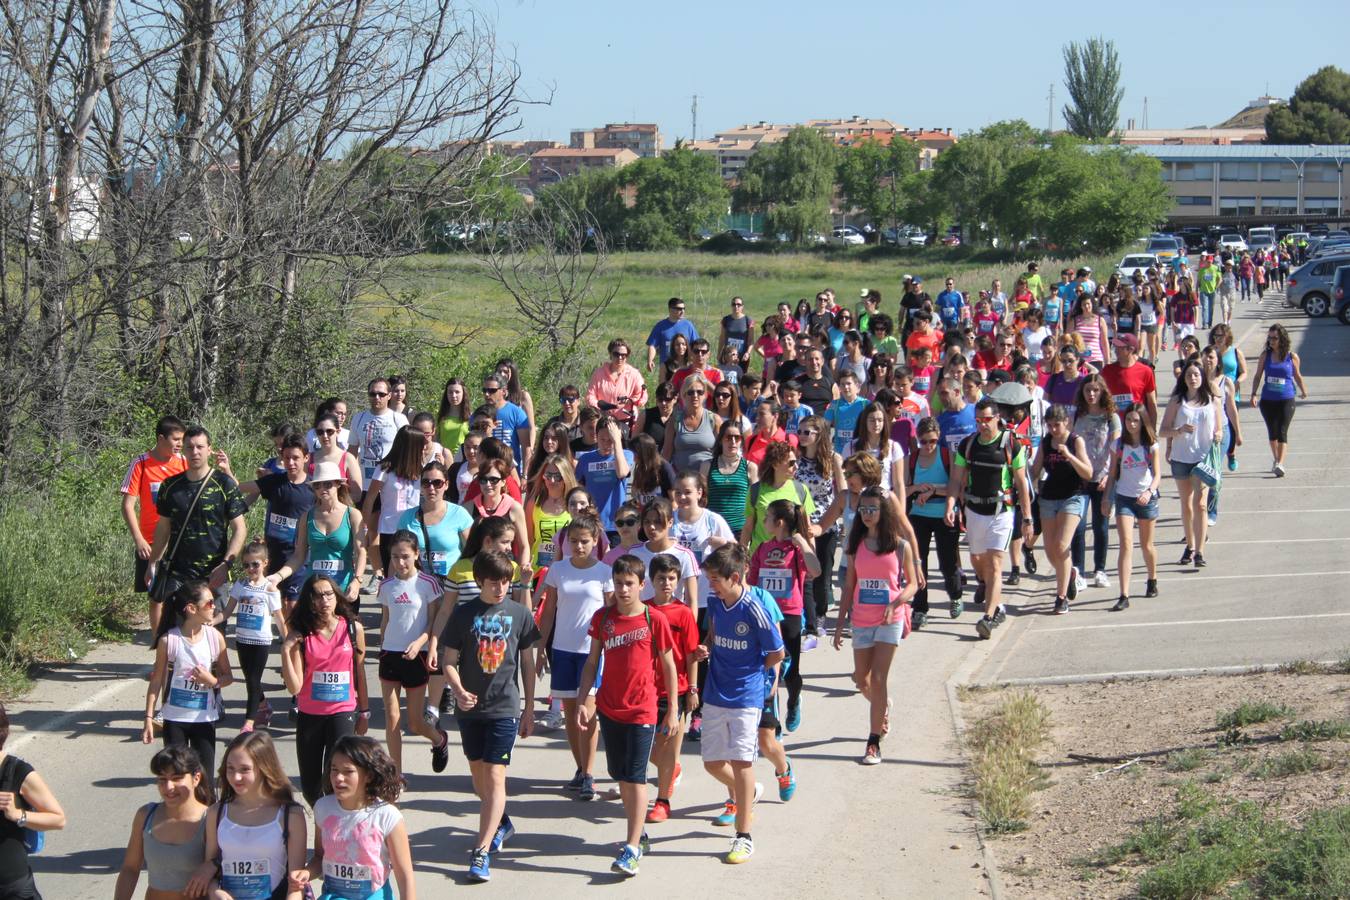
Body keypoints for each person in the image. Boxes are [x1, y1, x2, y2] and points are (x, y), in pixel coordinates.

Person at [574, 554, 679, 877]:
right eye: (618, 583)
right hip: (609, 708)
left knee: (635, 777)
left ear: (641, 585)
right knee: (620, 774)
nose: (622, 589)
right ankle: (639, 833)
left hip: (642, 709)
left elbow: (669, 664)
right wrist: (583, 700)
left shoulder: (653, 619)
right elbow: (592, 662)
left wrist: (673, 708)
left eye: (629, 584)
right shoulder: (603, 618)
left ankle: (631, 847)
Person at [440, 550, 540, 883]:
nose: (500, 588)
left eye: (505, 581)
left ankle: (481, 851)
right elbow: (448, 661)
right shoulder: (463, 614)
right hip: (470, 709)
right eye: (494, 582)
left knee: (496, 776)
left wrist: (529, 707)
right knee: (478, 778)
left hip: (505, 707)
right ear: (480, 580)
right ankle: (502, 823)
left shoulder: (520, 614)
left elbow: (527, 663)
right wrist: (457, 689)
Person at [698, 543, 785, 865]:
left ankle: (743, 836)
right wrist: (705, 649)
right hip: (714, 692)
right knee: (711, 762)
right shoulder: (715, 602)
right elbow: (714, 636)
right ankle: (749, 792)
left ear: (734, 577)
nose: (711, 585)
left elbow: (777, 653)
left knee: (741, 762)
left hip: (746, 698)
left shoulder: (755, 608)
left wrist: (753, 675)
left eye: (716, 580)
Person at [833, 484, 917, 764]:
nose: (868, 514)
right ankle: (882, 709)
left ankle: (873, 742)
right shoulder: (855, 546)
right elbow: (848, 586)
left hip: (889, 619)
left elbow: (914, 584)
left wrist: (896, 603)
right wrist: (838, 625)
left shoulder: (899, 545)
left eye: (874, 509)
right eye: (864, 509)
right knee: (862, 680)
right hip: (862, 619)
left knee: (879, 678)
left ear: (884, 512)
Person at [535, 516, 612, 803]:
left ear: (595, 542)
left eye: (585, 541)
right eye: (574, 541)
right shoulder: (558, 569)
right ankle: (580, 769)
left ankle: (590, 774)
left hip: (592, 652)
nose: (579, 546)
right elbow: (550, 610)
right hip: (562, 649)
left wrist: (610, 649)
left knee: (587, 713)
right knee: (569, 713)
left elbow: (610, 614)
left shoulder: (605, 572)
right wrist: (541, 647)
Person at [945, 398, 1033, 639]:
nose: (983, 425)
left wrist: (1027, 518)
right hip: (974, 511)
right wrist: (951, 504)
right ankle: (993, 598)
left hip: (1001, 512)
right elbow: (956, 478)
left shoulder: (1010, 445)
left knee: (995, 564)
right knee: (977, 559)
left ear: (997, 419)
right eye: (979, 420)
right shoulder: (968, 445)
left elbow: (1021, 483)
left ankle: (989, 616)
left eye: (987, 420)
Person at [280, 575, 369, 807]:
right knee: (310, 786)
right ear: (309, 600)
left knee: (335, 778)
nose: (324, 600)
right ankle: (323, 822)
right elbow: (295, 687)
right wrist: (286, 650)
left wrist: (365, 712)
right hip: (311, 713)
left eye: (329, 594)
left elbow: (359, 673)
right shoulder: (302, 634)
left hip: (342, 711)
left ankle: (330, 836)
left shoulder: (353, 628)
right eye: (318, 595)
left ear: (336, 596)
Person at [290, 736, 414, 900]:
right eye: (334, 770)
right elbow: (320, 856)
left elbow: (404, 875)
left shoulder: (387, 816)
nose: (338, 778)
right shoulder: (323, 808)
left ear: (368, 775)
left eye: (348, 771)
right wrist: (307, 872)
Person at [192, 732, 306, 900]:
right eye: (230, 768)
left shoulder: (291, 815)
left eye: (245, 769)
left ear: (264, 768)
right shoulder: (216, 813)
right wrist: (216, 892)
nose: (236, 777)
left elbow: (296, 884)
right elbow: (210, 871)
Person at [146, 425, 248, 602]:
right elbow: (163, 528)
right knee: (175, 629)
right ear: (183, 450)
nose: (195, 452)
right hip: (178, 576)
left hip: (214, 577)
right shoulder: (170, 486)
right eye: (190, 447)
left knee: (214, 629)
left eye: (200, 447)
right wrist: (153, 563)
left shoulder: (224, 484)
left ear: (209, 450)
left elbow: (240, 529)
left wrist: (226, 564)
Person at [143, 581, 234, 778]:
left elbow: (228, 677)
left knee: (206, 782)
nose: (215, 607)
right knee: (178, 778)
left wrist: (213, 681)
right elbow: (156, 680)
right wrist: (149, 718)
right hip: (175, 720)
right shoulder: (169, 641)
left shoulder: (215, 638)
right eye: (210, 603)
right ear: (192, 609)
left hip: (204, 719)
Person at [376, 531, 448, 778]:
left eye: (405, 556)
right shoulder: (386, 586)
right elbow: (386, 619)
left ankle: (438, 739)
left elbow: (433, 621)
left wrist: (421, 643)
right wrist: (382, 642)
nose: (400, 562)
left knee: (415, 723)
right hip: (390, 654)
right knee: (392, 716)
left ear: (417, 555)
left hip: (416, 655)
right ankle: (395, 775)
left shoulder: (428, 584)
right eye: (395, 557)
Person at [747, 499, 820, 733]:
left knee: (791, 671)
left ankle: (794, 700)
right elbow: (752, 582)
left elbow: (816, 571)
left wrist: (803, 542)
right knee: (770, 668)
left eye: (767, 517)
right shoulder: (763, 548)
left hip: (789, 614)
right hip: (765, 615)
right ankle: (773, 719)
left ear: (779, 522)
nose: (764, 521)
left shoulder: (796, 550)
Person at [643, 554, 701, 826]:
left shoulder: (684, 613)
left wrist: (692, 688)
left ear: (678, 581)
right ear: (650, 580)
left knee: (665, 749)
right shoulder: (642, 610)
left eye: (671, 578)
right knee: (648, 752)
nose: (666, 583)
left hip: (674, 690)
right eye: (661, 578)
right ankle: (670, 770)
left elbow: (691, 654)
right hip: (645, 690)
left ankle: (663, 801)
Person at [113, 746, 208, 900]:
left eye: (177, 778)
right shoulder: (145, 815)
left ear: (196, 778)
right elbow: (130, 868)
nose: (168, 787)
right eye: (162, 779)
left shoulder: (210, 819)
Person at [270, 462, 368, 612]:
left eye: (327, 484)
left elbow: (361, 551)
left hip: (343, 590)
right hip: (315, 592)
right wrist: (278, 576)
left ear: (338, 484)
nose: (322, 489)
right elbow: (298, 556)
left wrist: (357, 580)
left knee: (346, 634)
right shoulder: (306, 517)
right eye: (317, 485)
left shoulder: (353, 515)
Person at [122, 415, 188, 634]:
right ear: (161, 438)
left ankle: (183, 651)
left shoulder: (185, 463)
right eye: (176, 439)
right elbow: (128, 505)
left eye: (182, 439)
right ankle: (160, 648)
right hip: (151, 542)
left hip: (181, 542)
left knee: (184, 596)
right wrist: (138, 539)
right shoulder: (141, 463)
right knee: (156, 596)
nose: (180, 444)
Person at [215, 540, 286, 733]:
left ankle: (249, 721)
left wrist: (287, 642)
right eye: (246, 565)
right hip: (242, 639)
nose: (250, 568)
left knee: (254, 680)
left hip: (261, 641)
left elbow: (279, 618)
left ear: (265, 563)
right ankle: (264, 706)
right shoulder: (241, 584)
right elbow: (227, 611)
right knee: (250, 679)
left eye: (255, 564)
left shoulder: (270, 589)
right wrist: (210, 622)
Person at [1031, 406, 1095, 615]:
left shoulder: (1075, 441)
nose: (1053, 429)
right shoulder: (1045, 442)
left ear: (1066, 422)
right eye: (1049, 426)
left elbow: (1088, 472)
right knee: (1050, 550)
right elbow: (1035, 470)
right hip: (1049, 497)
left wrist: (1069, 456)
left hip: (1073, 496)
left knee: (1061, 545)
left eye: (1056, 425)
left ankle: (1061, 597)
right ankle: (1070, 576)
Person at [1160, 360, 1222, 568]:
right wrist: (1178, 431)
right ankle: (1190, 545)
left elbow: (1219, 429)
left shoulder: (1212, 401)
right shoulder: (1177, 401)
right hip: (1181, 457)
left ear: (1203, 377)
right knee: (1186, 504)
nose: (1193, 378)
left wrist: (1219, 435)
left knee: (1201, 504)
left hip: (1203, 459)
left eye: (1196, 374)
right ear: (1183, 379)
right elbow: (1163, 430)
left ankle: (1200, 552)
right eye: (1189, 375)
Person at [1102, 407, 1161, 611]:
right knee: (1126, 544)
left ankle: (1152, 578)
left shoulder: (1150, 445)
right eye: (1128, 420)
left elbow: (1157, 476)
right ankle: (1124, 594)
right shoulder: (1117, 445)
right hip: (1124, 498)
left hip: (1145, 499)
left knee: (1147, 546)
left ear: (1142, 422)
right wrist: (1106, 498)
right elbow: (1112, 473)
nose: (1131, 424)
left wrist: (1149, 492)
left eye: (1135, 420)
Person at [906, 417, 962, 626]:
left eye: (933, 441)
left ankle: (955, 595)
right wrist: (917, 489)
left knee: (947, 563)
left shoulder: (948, 456)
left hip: (944, 514)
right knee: (919, 562)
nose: (929, 446)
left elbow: (956, 487)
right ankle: (920, 608)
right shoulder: (911, 459)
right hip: (919, 515)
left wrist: (932, 491)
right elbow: (903, 488)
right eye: (924, 442)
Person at [793, 416, 844, 639]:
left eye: (807, 432)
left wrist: (827, 524)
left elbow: (842, 493)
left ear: (819, 435)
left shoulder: (833, 459)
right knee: (804, 574)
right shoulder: (795, 458)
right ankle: (808, 617)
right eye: (800, 431)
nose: (802, 436)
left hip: (826, 523)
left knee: (823, 572)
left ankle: (821, 613)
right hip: (800, 523)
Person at [1069, 376, 1121, 591]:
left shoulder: (1111, 417)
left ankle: (1100, 569)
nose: (1091, 394)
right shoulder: (1076, 415)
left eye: (1096, 390)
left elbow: (1116, 448)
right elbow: (1068, 443)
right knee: (1078, 527)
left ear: (1103, 392)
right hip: (1080, 478)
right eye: (1088, 390)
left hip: (1103, 478)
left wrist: (1109, 475)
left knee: (1101, 526)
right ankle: (1078, 572)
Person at [361, 426, 425, 580]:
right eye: (420, 445)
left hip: (414, 529)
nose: (423, 448)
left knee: (415, 575)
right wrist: (363, 526)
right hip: (390, 529)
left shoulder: (421, 470)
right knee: (393, 575)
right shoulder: (385, 468)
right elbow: (370, 498)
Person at [1249, 323, 1309, 477]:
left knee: (1282, 430)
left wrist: (1303, 390)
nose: (1271, 341)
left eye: (1275, 338)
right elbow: (1257, 376)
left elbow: (1297, 375)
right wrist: (1253, 394)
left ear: (1282, 339)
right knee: (1272, 432)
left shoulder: (1292, 357)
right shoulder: (1265, 356)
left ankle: (1281, 463)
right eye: (1269, 338)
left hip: (1286, 399)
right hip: (1268, 400)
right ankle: (1276, 459)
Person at [577, 416, 635, 540]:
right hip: (592, 524)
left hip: (617, 525)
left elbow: (622, 473)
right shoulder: (585, 459)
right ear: (596, 437)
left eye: (610, 440)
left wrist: (617, 443)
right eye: (602, 439)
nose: (606, 444)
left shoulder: (626, 455)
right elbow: (577, 487)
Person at [350, 378, 410, 488]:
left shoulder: (399, 419)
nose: (377, 397)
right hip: (364, 484)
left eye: (381, 394)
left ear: (389, 395)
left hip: (390, 485)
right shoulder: (358, 418)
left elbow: (407, 452)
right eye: (373, 394)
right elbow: (351, 452)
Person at [662, 375, 720, 476]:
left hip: (707, 479)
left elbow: (721, 452)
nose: (695, 395)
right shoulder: (675, 420)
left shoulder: (714, 420)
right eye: (690, 392)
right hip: (680, 479)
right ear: (683, 395)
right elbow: (666, 454)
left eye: (700, 392)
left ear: (705, 395)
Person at [707, 420, 757, 538]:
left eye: (737, 438)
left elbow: (755, 501)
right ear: (720, 440)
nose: (733, 442)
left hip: (740, 529)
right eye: (728, 437)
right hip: (714, 527)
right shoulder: (707, 465)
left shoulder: (750, 467)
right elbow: (702, 497)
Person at [1210, 324, 1248, 471]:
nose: (1217, 339)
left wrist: (1238, 381)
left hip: (1232, 394)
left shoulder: (1236, 352)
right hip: (1214, 395)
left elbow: (1244, 372)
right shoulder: (1211, 353)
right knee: (1217, 426)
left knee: (1231, 427)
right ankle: (1217, 458)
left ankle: (1231, 452)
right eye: (1215, 336)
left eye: (1220, 336)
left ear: (1227, 337)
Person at [586, 339, 648, 430]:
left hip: (627, 422)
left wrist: (632, 401)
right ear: (610, 354)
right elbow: (590, 396)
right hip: (603, 421)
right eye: (616, 354)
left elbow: (643, 396)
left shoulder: (634, 374)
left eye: (623, 355)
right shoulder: (599, 373)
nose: (620, 358)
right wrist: (600, 410)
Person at [481, 374, 531, 476]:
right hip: (485, 472)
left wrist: (525, 475)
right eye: (484, 390)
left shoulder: (516, 413)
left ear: (503, 391)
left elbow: (526, 447)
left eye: (491, 391)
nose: (487, 394)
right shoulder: (480, 414)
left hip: (511, 472)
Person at [308, 414, 364, 504]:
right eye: (320, 432)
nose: (325, 436)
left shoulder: (348, 458)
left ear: (338, 431)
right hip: (313, 512)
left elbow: (357, 495)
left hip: (339, 512)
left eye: (329, 431)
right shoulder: (308, 459)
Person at [646, 297, 700, 373]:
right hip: (666, 368)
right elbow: (652, 345)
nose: (682, 311)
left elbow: (696, 345)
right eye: (679, 309)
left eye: (684, 308)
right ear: (670, 309)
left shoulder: (688, 325)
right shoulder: (660, 326)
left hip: (685, 368)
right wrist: (650, 360)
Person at [629, 433, 676, 507]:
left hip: (662, 513)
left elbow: (674, 500)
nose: (633, 457)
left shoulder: (664, 468)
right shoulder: (640, 468)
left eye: (634, 453)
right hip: (644, 513)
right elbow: (635, 496)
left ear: (644, 453)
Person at [633, 381, 678, 451]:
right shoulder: (645, 415)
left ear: (675, 399)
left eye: (667, 399)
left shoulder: (680, 417)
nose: (663, 403)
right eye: (660, 399)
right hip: (648, 458)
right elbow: (634, 441)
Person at [436, 377, 473, 460]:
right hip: (444, 459)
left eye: (457, 392)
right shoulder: (441, 416)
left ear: (463, 393)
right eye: (450, 392)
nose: (453, 395)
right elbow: (437, 440)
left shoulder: (471, 417)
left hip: (463, 459)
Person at [719, 296, 755, 368]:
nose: (736, 306)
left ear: (742, 306)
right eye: (734, 304)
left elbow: (751, 340)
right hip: (727, 357)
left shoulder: (748, 320)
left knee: (741, 377)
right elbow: (722, 338)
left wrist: (748, 353)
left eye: (739, 305)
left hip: (742, 357)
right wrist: (719, 353)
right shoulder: (726, 320)